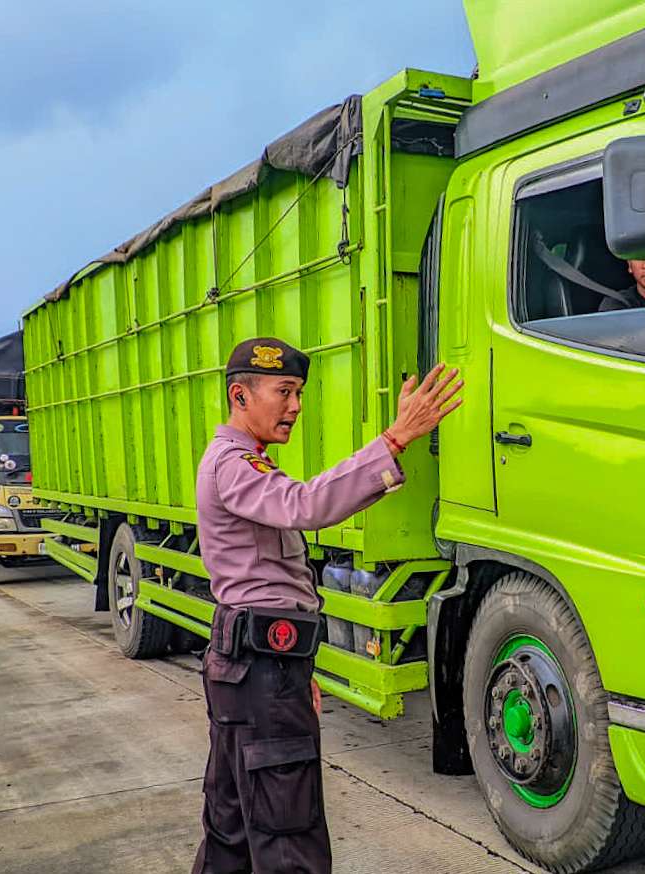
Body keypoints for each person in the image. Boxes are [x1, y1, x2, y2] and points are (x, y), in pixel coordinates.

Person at [191, 337, 462, 874]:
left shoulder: (243, 462)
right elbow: (307, 505)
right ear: (239, 396)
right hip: (260, 670)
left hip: (254, 667)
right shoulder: (235, 463)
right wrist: (395, 440)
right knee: (288, 837)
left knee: (233, 832)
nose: (295, 406)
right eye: (284, 392)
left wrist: (295, 668)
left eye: (299, 393)